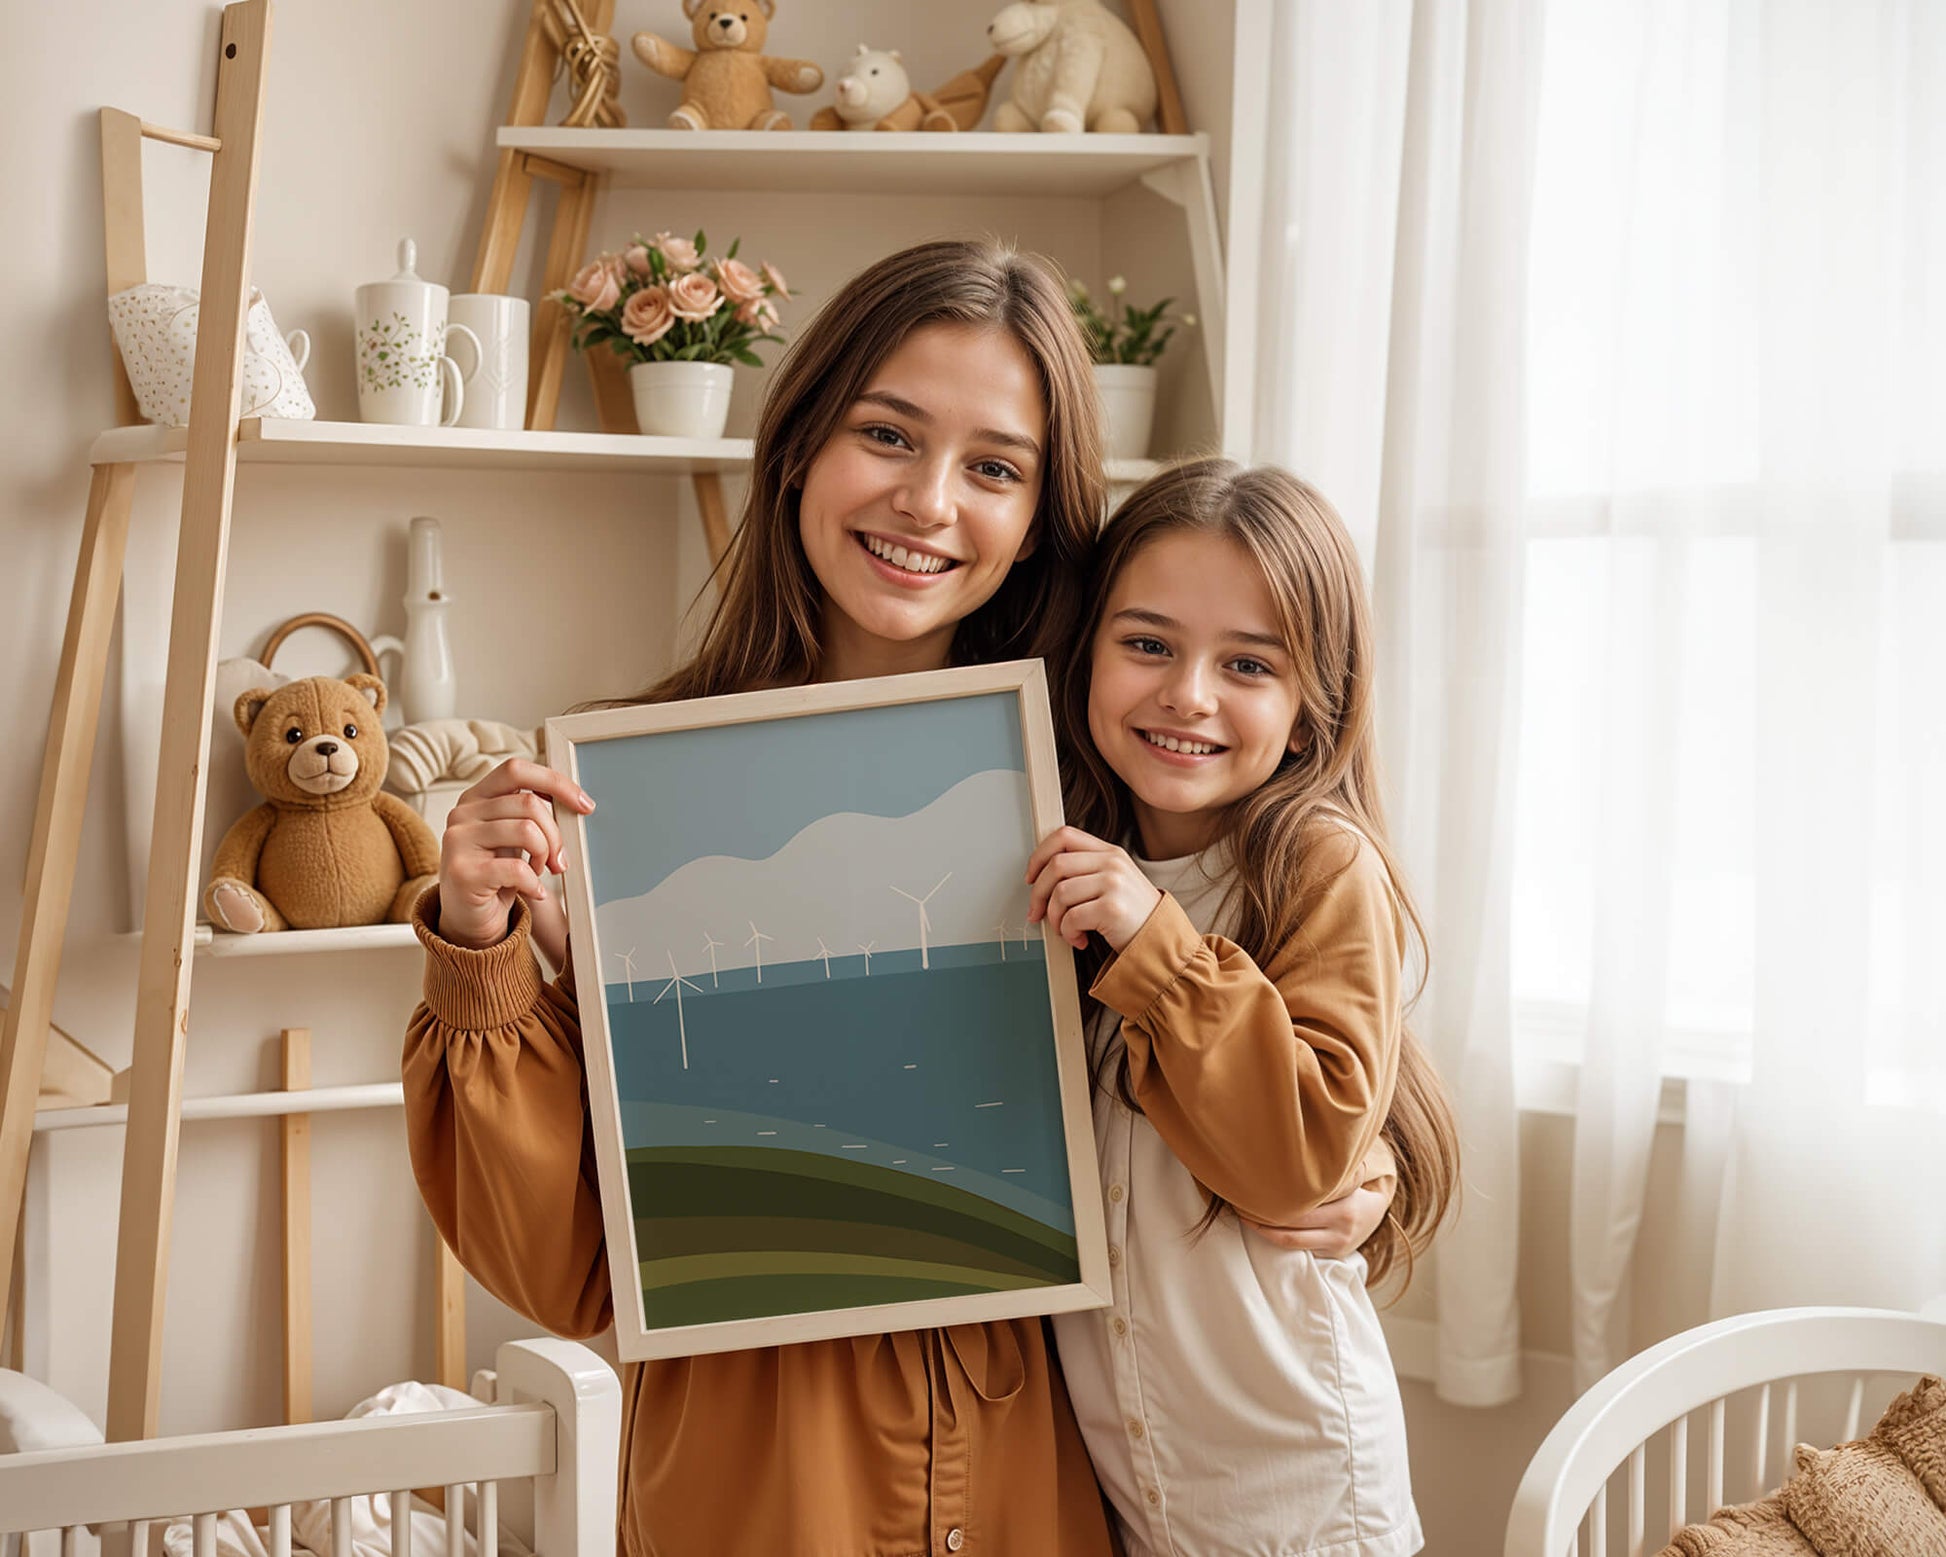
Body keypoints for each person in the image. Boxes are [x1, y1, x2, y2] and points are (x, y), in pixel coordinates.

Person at [402, 243, 1396, 1557]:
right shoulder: (628, 800)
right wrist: (480, 955)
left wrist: (1356, 1164)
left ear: (1041, 514)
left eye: (993, 466)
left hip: (1035, 1482)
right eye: (888, 434)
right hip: (759, 1483)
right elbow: (563, 1267)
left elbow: (1313, 1055)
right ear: (802, 442)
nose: (929, 502)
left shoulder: (1102, 777)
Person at [1028, 458, 1460, 1557]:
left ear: (1310, 713)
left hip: (1298, 1499)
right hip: (1128, 1482)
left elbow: (1298, 1156)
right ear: (1084, 658)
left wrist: (1153, 941)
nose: (1187, 694)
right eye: (1147, 645)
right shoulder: (1058, 856)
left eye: (1246, 665)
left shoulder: (1316, 863)